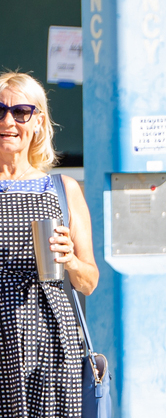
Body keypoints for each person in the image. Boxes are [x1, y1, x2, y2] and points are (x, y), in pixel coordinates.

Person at [0, 72, 99, 414]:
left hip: (52, 342)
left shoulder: (63, 189)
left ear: (39, 121)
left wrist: (69, 260)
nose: (8, 121)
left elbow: (89, 282)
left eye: (20, 112)